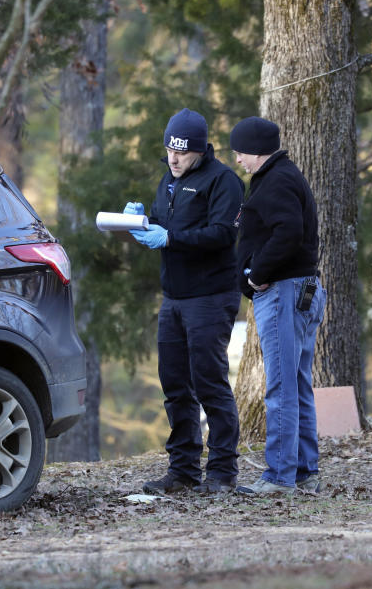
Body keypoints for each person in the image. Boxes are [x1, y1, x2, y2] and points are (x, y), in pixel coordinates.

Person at [125, 108, 245, 494]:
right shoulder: (168, 179)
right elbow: (166, 223)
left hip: (210, 297)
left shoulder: (223, 181)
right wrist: (142, 223)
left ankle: (222, 473)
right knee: (175, 384)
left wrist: (170, 239)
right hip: (174, 298)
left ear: (200, 150)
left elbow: (222, 235)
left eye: (181, 152)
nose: (173, 159)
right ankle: (183, 471)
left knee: (209, 382)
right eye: (169, 150)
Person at [229, 116, 326, 496]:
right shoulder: (284, 176)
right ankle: (304, 470)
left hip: (285, 292)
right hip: (299, 290)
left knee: (282, 385)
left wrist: (256, 273)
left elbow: (289, 231)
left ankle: (280, 475)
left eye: (240, 152)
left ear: (255, 150)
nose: (238, 159)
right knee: (297, 383)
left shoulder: (277, 180)